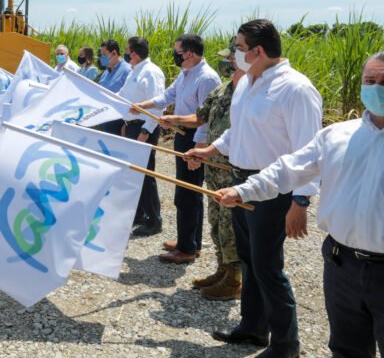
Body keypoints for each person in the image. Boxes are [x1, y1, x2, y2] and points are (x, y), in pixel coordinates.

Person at [217, 51, 384, 358]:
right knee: (347, 349)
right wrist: (244, 191)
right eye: (370, 80)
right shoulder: (338, 136)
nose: (376, 89)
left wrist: (299, 203)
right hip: (342, 265)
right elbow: (289, 168)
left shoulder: (296, 88)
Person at [186, 19, 322, 358]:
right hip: (240, 181)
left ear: (258, 51)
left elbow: (310, 151)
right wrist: (210, 150)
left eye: (239, 47)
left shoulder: (295, 89)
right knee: (248, 259)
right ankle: (253, 327)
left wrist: (301, 201)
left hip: (274, 189)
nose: (234, 54)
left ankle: (285, 344)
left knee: (267, 266)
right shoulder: (247, 82)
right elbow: (238, 131)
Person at [159, 39, 243, 300]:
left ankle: (235, 279)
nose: (228, 61)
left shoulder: (249, 92)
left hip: (232, 167)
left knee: (231, 225)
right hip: (214, 167)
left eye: (231, 57)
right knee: (216, 221)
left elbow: (237, 131)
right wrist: (175, 118)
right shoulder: (223, 90)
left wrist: (203, 148)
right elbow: (200, 117)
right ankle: (222, 270)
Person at [132, 34, 221, 264]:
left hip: (195, 138)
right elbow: (167, 95)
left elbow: (205, 119)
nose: (175, 55)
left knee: (187, 194)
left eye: (177, 51)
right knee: (188, 192)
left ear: (189, 53)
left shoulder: (207, 78)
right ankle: (190, 242)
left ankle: (187, 248)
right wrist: (144, 106)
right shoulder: (185, 74)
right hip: (184, 136)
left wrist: (199, 149)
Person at [117, 36, 166, 236]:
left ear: (134, 53)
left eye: (127, 51)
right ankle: (138, 214)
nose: (126, 54)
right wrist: (124, 122)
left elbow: (158, 106)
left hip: (143, 129)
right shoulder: (134, 71)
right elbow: (123, 98)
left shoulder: (151, 72)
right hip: (132, 126)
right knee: (134, 173)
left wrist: (146, 132)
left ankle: (154, 220)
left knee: (146, 174)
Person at [97, 39, 131, 135]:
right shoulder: (106, 72)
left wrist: (126, 124)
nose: (101, 57)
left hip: (119, 122)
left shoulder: (127, 71)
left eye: (104, 54)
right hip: (104, 118)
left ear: (114, 53)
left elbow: (131, 97)